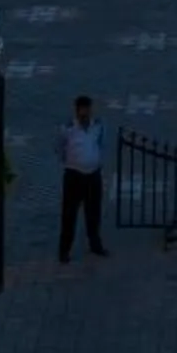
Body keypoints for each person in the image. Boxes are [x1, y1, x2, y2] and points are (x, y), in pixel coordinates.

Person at [58, 94, 108, 262]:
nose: (85, 112)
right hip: (74, 176)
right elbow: (60, 147)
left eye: (88, 109)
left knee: (93, 212)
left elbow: (101, 144)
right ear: (77, 110)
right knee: (69, 214)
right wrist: (71, 161)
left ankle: (95, 244)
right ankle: (64, 250)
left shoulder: (97, 126)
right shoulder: (69, 128)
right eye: (82, 109)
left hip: (93, 175)